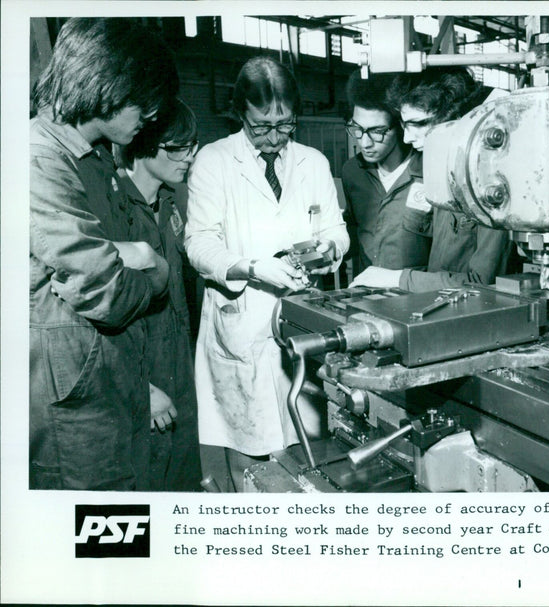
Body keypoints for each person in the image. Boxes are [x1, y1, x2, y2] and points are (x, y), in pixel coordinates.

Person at [185, 56, 349, 492]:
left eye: (285, 125)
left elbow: (336, 229)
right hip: (244, 322)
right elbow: (198, 245)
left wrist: (329, 248)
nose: (275, 137)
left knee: (313, 447)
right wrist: (253, 267)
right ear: (240, 114)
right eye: (262, 127)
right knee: (250, 453)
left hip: (303, 319)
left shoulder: (312, 162)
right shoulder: (214, 162)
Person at [29, 18, 178, 490]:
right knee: (94, 537)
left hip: (111, 381)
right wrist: (155, 269)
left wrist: (136, 255)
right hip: (73, 401)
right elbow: (106, 290)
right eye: (146, 101)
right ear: (109, 86)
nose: (151, 116)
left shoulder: (92, 159)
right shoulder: (37, 161)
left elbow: (120, 259)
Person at [350, 67, 513, 293]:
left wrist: (396, 279)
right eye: (404, 125)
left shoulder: (491, 186)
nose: (407, 137)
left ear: (456, 118)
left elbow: (483, 283)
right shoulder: (442, 175)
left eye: (418, 124)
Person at [116, 98, 202, 491]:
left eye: (193, 146)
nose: (189, 157)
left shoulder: (170, 204)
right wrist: (142, 388)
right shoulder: (114, 207)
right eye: (178, 148)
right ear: (143, 141)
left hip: (178, 370)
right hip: (139, 384)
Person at [341, 71, 430, 276]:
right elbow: (355, 233)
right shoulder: (352, 172)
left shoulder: (429, 173)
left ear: (400, 126)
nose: (364, 143)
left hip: (416, 299)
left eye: (377, 131)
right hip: (365, 295)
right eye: (357, 129)